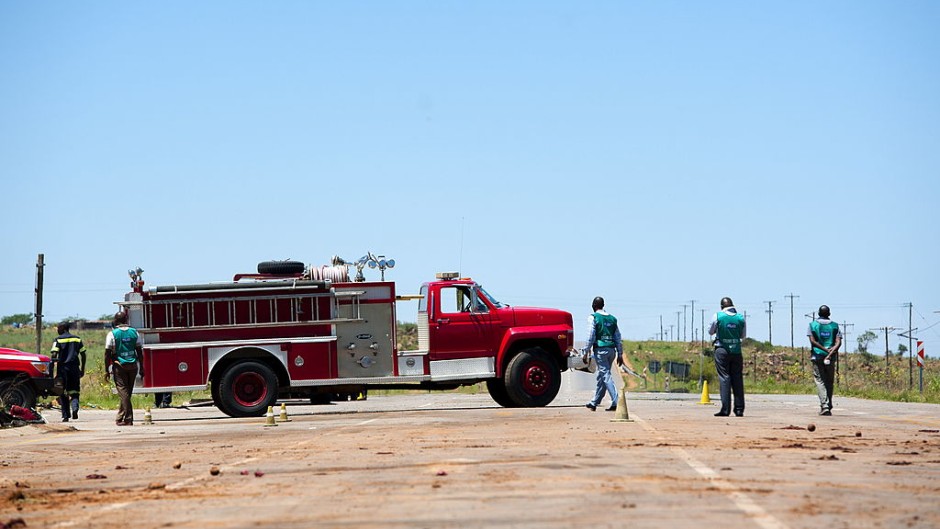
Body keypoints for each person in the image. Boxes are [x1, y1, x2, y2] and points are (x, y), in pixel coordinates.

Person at [581, 296, 623, 412]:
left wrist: (585, 352)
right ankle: (595, 402)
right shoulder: (612, 319)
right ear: (603, 305)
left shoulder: (593, 317)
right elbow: (618, 337)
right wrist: (620, 354)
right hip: (611, 351)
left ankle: (616, 400)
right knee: (602, 376)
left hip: (600, 350)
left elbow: (591, 335)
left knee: (605, 375)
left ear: (593, 306)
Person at [708, 297, 746, 417]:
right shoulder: (740, 317)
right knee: (737, 379)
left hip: (722, 350)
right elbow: (743, 335)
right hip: (736, 350)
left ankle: (725, 409)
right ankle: (739, 409)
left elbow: (710, 331)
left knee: (724, 378)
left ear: (721, 306)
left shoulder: (718, 316)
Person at [105, 311, 144, 426]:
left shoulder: (112, 334)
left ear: (116, 321)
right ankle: (120, 417)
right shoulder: (134, 332)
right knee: (127, 393)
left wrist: (106, 370)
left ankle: (128, 418)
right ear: (126, 320)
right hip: (133, 366)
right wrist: (142, 367)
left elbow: (107, 353)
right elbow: (139, 352)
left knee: (124, 393)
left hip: (119, 367)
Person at [807, 305, 841, 416]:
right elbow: (838, 342)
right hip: (830, 357)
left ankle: (825, 405)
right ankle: (828, 405)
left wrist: (823, 349)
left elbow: (812, 341)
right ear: (829, 314)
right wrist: (830, 353)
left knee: (820, 380)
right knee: (829, 381)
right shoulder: (835, 326)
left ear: (818, 314)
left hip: (817, 356)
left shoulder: (813, 325)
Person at [50, 321, 86, 422]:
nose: (57, 330)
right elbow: (83, 354)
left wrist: (53, 365)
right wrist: (82, 369)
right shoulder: (77, 339)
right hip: (74, 368)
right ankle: (75, 408)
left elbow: (54, 354)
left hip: (62, 369)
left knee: (62, 391)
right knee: (74, 390)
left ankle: (66, 416)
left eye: (58, 328)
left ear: (63, 328)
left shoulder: (58, 340)